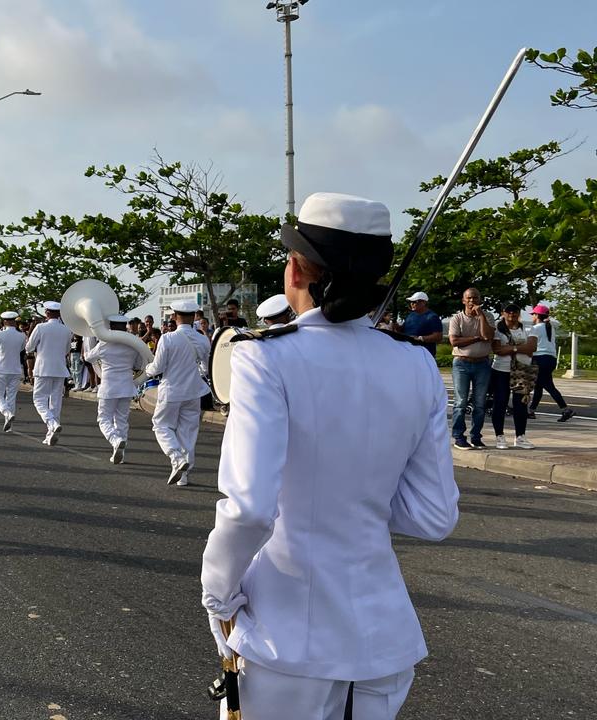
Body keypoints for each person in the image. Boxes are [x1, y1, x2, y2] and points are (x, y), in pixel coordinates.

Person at [201, 192, 458, 720]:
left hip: (286, 636)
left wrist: (218, 596)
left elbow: (249, 508)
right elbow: (434, 518)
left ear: (296, 268)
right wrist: (360, 485)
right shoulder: (416, 365)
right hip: (382, 640)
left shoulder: (264, 356)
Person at [146, 300, 210, 485]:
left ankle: (176, 458)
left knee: (161, 425)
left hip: (171, 391)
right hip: (193, 391)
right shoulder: (202, 339)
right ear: (193, 317)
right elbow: (205, 369)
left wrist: (146, 369)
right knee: (188, 432)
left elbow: (157, 368)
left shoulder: (168, 338)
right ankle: (184, 475)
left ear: (174, 317)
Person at [83, 314, 142, 464]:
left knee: (103, 419)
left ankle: (115, 441)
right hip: (127, 386)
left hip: (109, 387)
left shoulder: (104, 343)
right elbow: (138, 364)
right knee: (121, 420)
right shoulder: (133, 343)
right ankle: (120, 452)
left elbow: (88, 358)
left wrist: (88, 339)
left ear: (111, 327)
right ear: (125, 327)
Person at [449, 288, 495, 450]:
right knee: (460, 402)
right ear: (463, 300)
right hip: (461, 363)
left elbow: (488, 336)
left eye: (475, 298)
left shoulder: (488, 316)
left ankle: (476, 436)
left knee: (480, 403)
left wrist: (481, 316)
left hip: (482, 363)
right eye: (468, 298)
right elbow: (454, 341)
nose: (472, 301)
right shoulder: (457, 318)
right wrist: (476, 338)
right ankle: (458, 436)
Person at [25, 301, 72, 445]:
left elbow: (29, 347)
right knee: (55, 401)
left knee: (39, 399)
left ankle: (51, 424)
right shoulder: (66, 329)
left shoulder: (40, 327)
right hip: (59, 368)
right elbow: (66, 351)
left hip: (43, 367)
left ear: (47, 313)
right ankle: (50, 433)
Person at [490, 304, 536, 449]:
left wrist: (511, 348)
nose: (512, 314)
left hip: (522, 370)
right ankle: (500, 436)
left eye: (515, 311)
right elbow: (497, 349)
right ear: (503, 313)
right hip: (501, 370)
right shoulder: (498, 329)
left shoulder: (528, 328)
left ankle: (520, 436)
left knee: (521, 404)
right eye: (508, 312)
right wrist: (520, 348)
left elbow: (531, 348)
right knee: (500, 402)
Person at [528, 304, 575, 422]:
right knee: (539, 385)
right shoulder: (550, 328)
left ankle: (566, 409)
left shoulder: (535, 328)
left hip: (540, 358)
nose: (532, 316)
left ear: (537, 315)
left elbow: (526, 339)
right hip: (551, 359)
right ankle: (531, 411)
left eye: (533, 314)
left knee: (548, 386)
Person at [0, 311, 26, 433]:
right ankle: (8, 423)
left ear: (4, 321)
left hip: (1, 369)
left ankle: (7, 413)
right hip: (15, 369)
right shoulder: (22, 335)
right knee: (11, 396)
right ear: (15, 321)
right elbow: (21, 349)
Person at [401, 292, 442, 357]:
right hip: (409, 353)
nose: (412, 304)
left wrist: (420, 338)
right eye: (411, 302)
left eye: (415, 302)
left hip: (425, 355)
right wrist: (396, 327)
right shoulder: (410, 315)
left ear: (424, 302)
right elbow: (403, 330)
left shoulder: (432, 317)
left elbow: (438, 337)